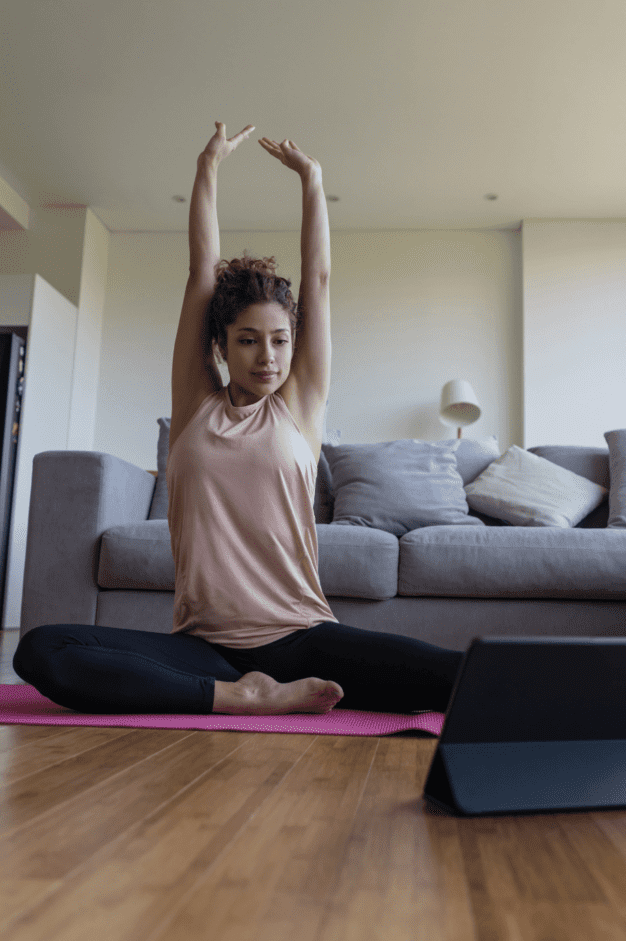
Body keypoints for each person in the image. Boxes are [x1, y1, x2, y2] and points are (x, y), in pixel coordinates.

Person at [14, 122, 464, 717]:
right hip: (204, 651)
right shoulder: (196, 405)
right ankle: (242, 697)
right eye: (248, 340)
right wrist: (208, 170)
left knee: (461, 675)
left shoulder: (299, 407)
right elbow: (203, 274)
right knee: (42, 650)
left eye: (280, 340)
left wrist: (313, 180)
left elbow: (319, 282)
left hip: (303, 638)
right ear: (221, 346)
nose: (268, 356)